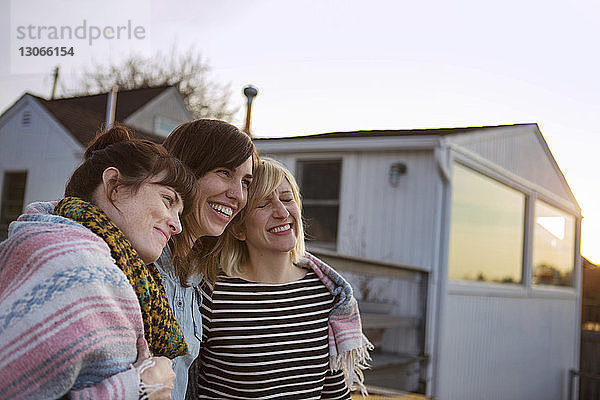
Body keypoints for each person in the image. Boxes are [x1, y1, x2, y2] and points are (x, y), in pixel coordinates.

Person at [0, 125, 197, 400]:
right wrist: (140, 388)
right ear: (114, 185)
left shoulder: (112, 264)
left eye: (180, 212)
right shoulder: (76, 266)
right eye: (168, 200)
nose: (176, 225)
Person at [196, 157, 373, 399]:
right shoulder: (212, 293)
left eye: (287, 199)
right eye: (264, 204)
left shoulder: (325, 293)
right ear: (237, 229)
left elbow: (334, 393)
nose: (282, 212)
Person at [155, 119, 256, 400]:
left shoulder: (198, 275)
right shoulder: (133, 259)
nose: (238, 195)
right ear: (183, 171)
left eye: (245, 183)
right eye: (224, 172)